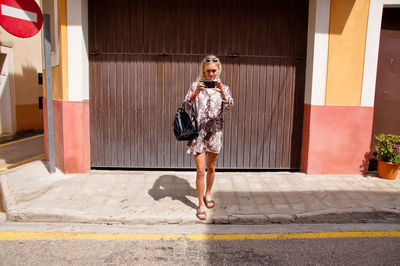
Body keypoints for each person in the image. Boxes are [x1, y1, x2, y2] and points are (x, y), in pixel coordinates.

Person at [184, 55, 234, 220]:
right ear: (203, 71)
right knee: (200, 171)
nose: (211, 75)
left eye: (214, 71)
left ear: (218, 70)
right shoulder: (195, 86)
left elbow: (230, 105)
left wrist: (222, 92)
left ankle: (207, 194)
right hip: (199, 135)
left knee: (211, 168)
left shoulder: (224, 88)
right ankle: (200, 204)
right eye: (208, 72)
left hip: (215, 134)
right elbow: (186, 105)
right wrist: (195, 93)